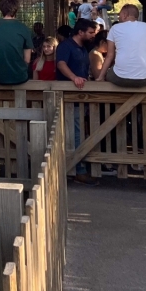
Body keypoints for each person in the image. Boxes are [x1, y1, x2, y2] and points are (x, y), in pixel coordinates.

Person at [56, 19, 98, 183]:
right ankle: (77, 168)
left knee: (77, 130)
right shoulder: (66, 46)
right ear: (80, 32)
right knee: (75, 131)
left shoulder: (83, 47)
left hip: (80, 95)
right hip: (69, 95)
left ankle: (75, 167)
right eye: (90, 32)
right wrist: (74, 78)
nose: (92, 35)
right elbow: (61, 64)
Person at [95, 4, 146, 87]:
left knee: (110, 73)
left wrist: (100, 77)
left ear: (125, 15)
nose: (119, 17)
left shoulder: (115, 28)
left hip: (120, 78)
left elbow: (110, 56)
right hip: (145, 79)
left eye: (120, 14)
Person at [0, 0, 34, 85]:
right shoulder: (24, 28)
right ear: (16, 9)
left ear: (1, 9)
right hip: (20, 77)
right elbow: (27, 59)